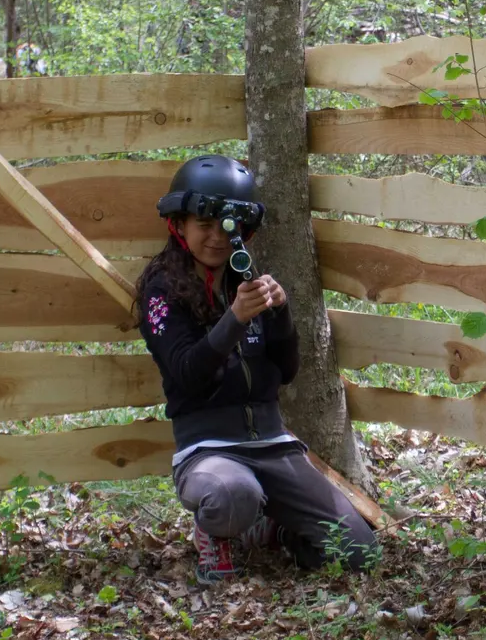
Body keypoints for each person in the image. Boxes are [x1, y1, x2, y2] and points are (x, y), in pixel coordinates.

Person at [137, 155, 377, 583]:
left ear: (242, 231)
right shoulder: (160, 292)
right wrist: (235, 319)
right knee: (232, 492)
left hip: (272, 444)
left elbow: (286, 371)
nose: (214, 239)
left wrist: (279, 313)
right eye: (203, 225)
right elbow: (188, 373)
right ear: (180, 225)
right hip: (208, 452)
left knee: (359, 551)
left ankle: (271, 527)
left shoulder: (245, 279)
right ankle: (219, 529)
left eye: (225, 229)